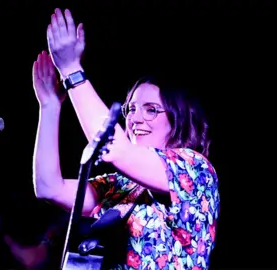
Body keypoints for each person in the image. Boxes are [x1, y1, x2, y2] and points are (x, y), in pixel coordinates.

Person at [32, 8, 220, 269]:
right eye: (130, 109)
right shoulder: (121, 187)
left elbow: (114, 149)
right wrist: (50, 106)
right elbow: (48, 187)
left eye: (151, 110)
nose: (135, 119)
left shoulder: (195, 169)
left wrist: (71, 70)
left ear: (178, 119)